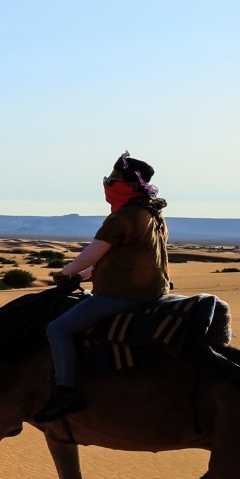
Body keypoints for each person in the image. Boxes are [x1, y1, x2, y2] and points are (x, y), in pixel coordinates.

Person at [33, 153, 171, 421]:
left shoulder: (123, 217)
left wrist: (66, 272)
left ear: (128, 185)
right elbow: (117, 260)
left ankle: (65, 390)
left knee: (58, 327)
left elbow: (93, 253)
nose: (108, 184)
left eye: (114, 179)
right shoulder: (153, 215)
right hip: (154, 290)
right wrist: (84, 275)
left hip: (126, 293)